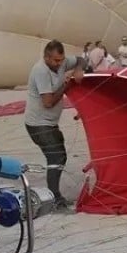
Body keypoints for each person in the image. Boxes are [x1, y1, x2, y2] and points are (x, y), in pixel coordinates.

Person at [24, 40, 83, 209]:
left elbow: (81, 59)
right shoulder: (40, 71)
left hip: (49, 124)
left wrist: (78, 69)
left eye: (61, 60)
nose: (60, 64)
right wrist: (67, 85)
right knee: (56, 156)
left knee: (60, 156)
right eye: (56, 61)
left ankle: (54, 195)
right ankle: (55, 198)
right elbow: (48, 102)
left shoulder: (62, 62)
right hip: (38, 125)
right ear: (46, 57)